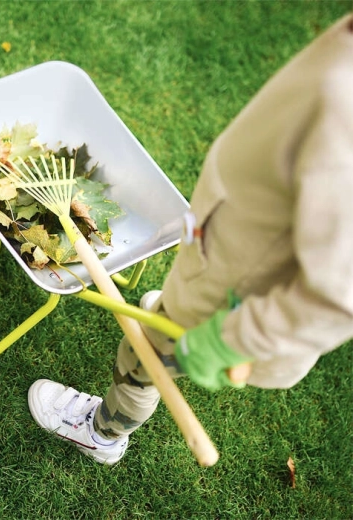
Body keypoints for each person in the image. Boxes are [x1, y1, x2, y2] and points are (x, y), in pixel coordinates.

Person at [28, 13, 353, 465]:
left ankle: (102, 433)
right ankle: (174, 310)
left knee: (142, 359)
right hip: (232, 247)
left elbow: (341, 292)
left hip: (236, 297)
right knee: (166, 317)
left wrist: (234, 338)